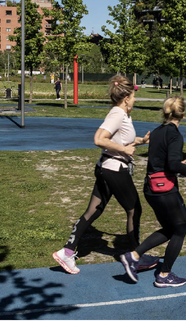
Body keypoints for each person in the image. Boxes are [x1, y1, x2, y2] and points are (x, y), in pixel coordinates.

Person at [52, 75, 150, 275]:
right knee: (134, 210)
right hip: (115, 170)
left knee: (94, 211)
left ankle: (67, 252)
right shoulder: (117, 114)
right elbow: (99, 139)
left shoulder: (123, 115)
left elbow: (120, 141)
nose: (134, 100)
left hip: (107, 168)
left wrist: (140, 141)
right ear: (125, 98)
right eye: (133, 96)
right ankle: (135, 257)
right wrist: (124, 151)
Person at [121, 96, 186, 288]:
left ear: (165, 112)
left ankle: (134, 255)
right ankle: (164, 274)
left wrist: (179, 164)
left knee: (170, 229)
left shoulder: (157, 132)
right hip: (165, 190)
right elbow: (172, 165)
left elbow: (163, 161)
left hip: (150, 188)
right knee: (180, 229)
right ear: (183, 114)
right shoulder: (175, 135)